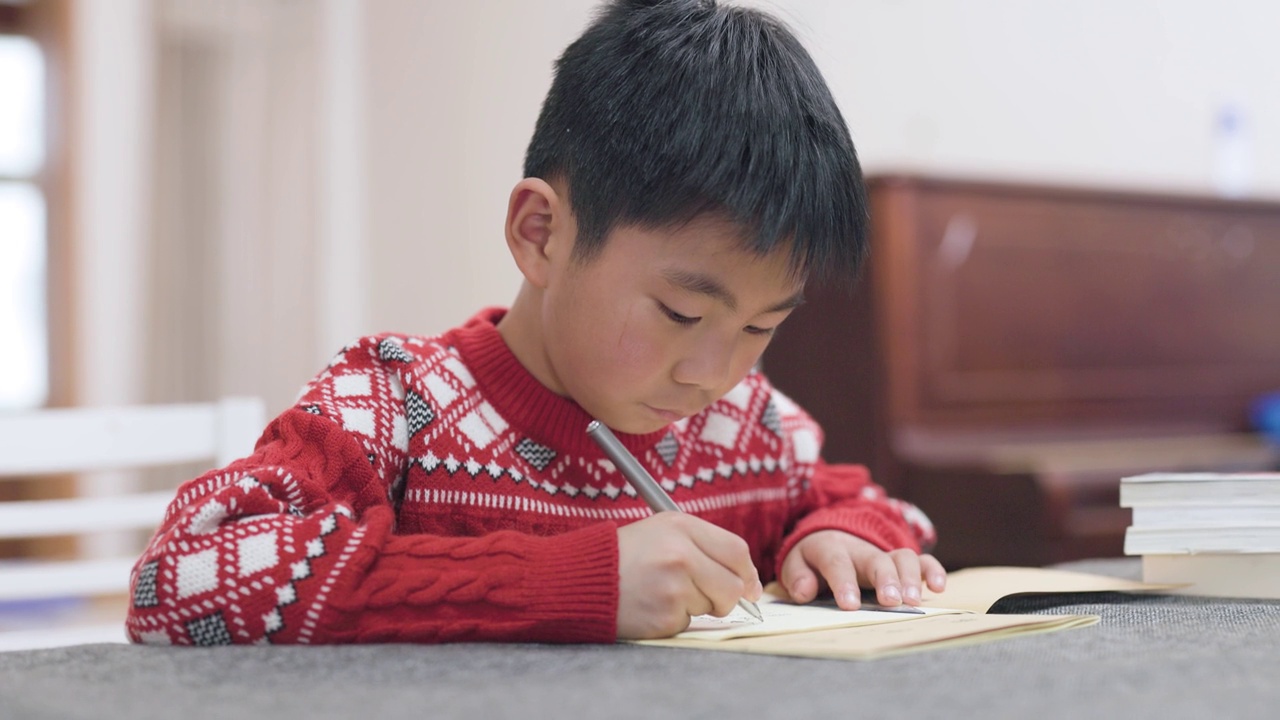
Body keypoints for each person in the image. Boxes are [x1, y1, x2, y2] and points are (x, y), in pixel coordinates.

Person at [126, 0, 945, 647]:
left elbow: (871, 505)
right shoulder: (393, 405)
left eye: (761, 326)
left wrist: (844, 537)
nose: (713, 372)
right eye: (681, 312)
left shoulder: (751, 427)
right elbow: (182, 579)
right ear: (540, 234)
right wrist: (567, 584)